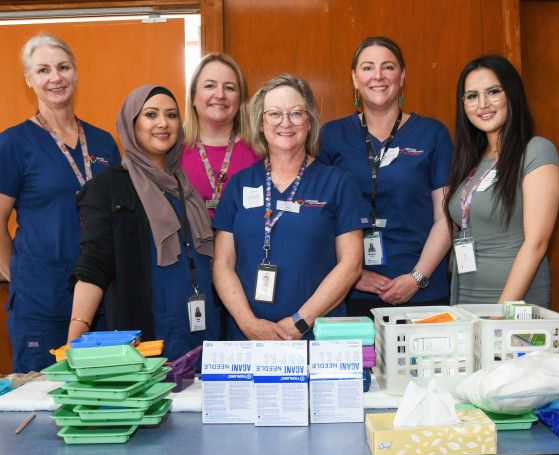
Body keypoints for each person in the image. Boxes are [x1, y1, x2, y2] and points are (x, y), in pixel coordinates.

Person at [0, 33, 120, 373]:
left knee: (103, 401)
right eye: (43, 70)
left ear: (76, 73)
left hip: (101, 301)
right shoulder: (10, 145)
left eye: (63, 67)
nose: (55, 77)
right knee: (43, 404)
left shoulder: (103, 143)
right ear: (29, 79)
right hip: (42, 307)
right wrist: (28, 281)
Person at [68, 85, 220, 360]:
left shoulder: (186, 188)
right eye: (151, 114)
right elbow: (93, 266)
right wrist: (75, 336)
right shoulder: (109, 188)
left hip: (203, 332)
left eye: (172, 115)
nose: (163, 123)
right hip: (147, 340)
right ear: (131, 124)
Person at [213, 74, 369, 341]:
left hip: (316, 334)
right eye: (274, 114)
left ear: (309, 122)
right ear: (261, 123)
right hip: (247, 337)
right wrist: (249, 324)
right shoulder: (239, 184)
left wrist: (300, 321)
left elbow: (351, 265)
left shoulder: (338, 183)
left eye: (296, 113)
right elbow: (223, 264)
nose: (285, 123)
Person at [320, 36, 452, 315]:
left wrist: (416, 278)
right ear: (355, 79)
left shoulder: (433, 134)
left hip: (423, 291)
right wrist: (354, 273)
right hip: (349, 292)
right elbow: (321, 217)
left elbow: (446, 217)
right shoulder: (331, 135)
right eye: (367, 68)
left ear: (402, 76)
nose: (378, 76)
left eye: (388, 67)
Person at [444, 55, 559, 307]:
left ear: (512, 94)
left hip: (513, 306)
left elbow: (537, 244)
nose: (483, 104)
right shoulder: (471, 161)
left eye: (493, 91)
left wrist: (500, 314)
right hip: (466, 299)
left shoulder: (536, 151)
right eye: (472, 96)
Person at [181, 54, 261, 217]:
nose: (220, 95)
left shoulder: (260, 150)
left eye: (230, 88)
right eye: (210, 86)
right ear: (194, 97)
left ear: (240, 100)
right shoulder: (173, 151)